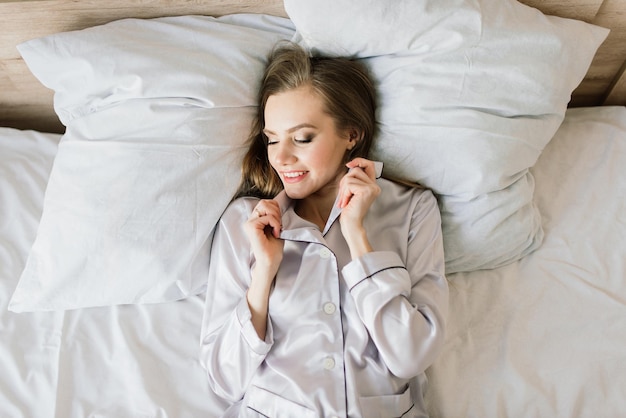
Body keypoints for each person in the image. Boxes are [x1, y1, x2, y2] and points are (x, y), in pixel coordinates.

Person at [200, 43, 449, 418]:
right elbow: (223, 381)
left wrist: (357, 238)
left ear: (351, 134)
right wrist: (263, 276)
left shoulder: (413, 210)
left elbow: (410, 356)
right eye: (271, 139)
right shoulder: (244, 223)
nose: (281, 157)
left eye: (302, 138)